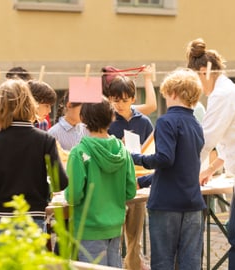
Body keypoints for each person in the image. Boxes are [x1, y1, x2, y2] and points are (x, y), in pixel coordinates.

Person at [187, 38, 235, 270]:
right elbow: (228, 140)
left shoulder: (222, 95)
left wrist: (187, 172)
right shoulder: (227, 91)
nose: (198, 87)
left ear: (204, 71)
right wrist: (209, 169)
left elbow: (206, 140)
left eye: (196, 79)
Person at [131, 68, 206, 270]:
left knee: (163, 261)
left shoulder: (166, 121)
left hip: (166, 203)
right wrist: (145, 180)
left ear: (173, 93)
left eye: (165, 95)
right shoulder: (196, 125)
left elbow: (165, 159)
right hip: (192, 202)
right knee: (190, 262)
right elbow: (181, 166)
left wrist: (135, 158)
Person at [0, 79, 68, 239]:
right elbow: (60, 182)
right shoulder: (45, 140)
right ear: (30, 103)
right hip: (34, 217)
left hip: (3, 218)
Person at [64, 97, 136, 267]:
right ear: (112, 117)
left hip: (89, 227)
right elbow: (131, 191)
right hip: (115, 226)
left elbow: (73, 196)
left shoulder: (79, 152)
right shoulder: (123, 150)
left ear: (83, 119)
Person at [106, 74, 153, 270]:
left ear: (133, 99)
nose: (120, 105)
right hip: (112, 187)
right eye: (116, 100)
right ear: (110, 99)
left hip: (137, 184)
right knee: (112, 237)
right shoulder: (107, 121)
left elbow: (152, 151)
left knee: (135, 238)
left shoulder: (144, 122)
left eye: (125, 100)